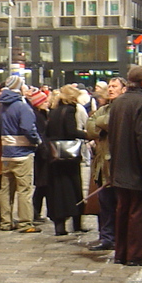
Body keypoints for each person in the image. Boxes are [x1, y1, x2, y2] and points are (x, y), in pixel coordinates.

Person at [107, 65, 142, 265]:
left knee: (122, 211)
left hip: (119, 165)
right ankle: (135, 254)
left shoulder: (118, 102)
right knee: (138, 213)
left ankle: (120, 253)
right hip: (136, 168)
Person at [0, 75, 41, 233]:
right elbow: (28, 128)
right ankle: (25, 223)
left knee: (5, 189)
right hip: (22, 153)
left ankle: (5, 222)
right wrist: (36, 141)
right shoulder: (22, 106)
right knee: (24, 189)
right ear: (19, 87)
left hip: (6, 153)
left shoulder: (1, 106)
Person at [85, 78, 124, 252]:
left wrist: (100, 121)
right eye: (109, 86)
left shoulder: (123, 107)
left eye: (114, 86)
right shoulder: (104, 109)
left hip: (118, 165)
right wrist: (100, 122)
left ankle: (120, 237)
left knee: (120, 204)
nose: (110, 89)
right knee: (105, 203)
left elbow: (110, 123)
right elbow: (91, 129)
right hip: (102, 165)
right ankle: (106, 237)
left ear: (124, 89)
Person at [45, 85, 89, 236]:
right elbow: (70, 131)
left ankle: (60, 226)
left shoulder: (54, 110)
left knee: (58, 190)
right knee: (74, 187)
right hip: (68, 155)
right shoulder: (70, 110)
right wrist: (88, 134)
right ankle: (77, 223)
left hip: (54, 155)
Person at [28, 89, 52, 224]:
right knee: (42, 184)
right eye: (45, 101)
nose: (47, 103)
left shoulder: (42, 114)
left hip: (43, 151)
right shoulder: (37, 116)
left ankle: (37, 211)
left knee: (43, 184)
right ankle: (35, 211)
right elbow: (40, 134)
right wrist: (44, 149)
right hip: (42, 153)